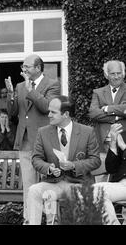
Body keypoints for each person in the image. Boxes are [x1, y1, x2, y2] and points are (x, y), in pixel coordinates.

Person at [5, 54, 60, 224]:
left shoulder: (52, 84)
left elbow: (47, 107)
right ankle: (29, 219)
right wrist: (11, 95)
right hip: (25, 140)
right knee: (28, 184)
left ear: (38, 68)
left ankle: (51, 219)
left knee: (49, 183)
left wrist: (31, 91)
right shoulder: (20, 85)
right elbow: (13, 113)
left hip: (46, 141)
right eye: (23, 66)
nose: (24, 69)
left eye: (27, 66)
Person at [28, 95, 101, 225]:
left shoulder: (87, 132)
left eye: (53, 112)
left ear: (66, 114)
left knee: (81, 200)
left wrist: (74, 165)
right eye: (49, 111)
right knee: (34, 190)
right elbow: (36, 159)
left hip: (78, 184)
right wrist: (48, 168)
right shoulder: (43, 132)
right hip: (53, 184)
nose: (49, 114)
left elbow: (95, 160)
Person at [88, 60, 126, 183]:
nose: (116, 76)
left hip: (124, 138)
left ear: (123, 73)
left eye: (119, 73)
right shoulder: (98, 92)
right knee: (101, 175)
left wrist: (107, 108)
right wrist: (117, 117)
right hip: (103, 141)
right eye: (113, 73)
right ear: (106, 75)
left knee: (120, 174)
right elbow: (93, 113)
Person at [93, 123, 126, 225]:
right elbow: (111, 169)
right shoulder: (123, 135)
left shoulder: (123, 141)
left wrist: (123, 147)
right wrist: (113, 142)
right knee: (94, 191)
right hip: (121, 186)